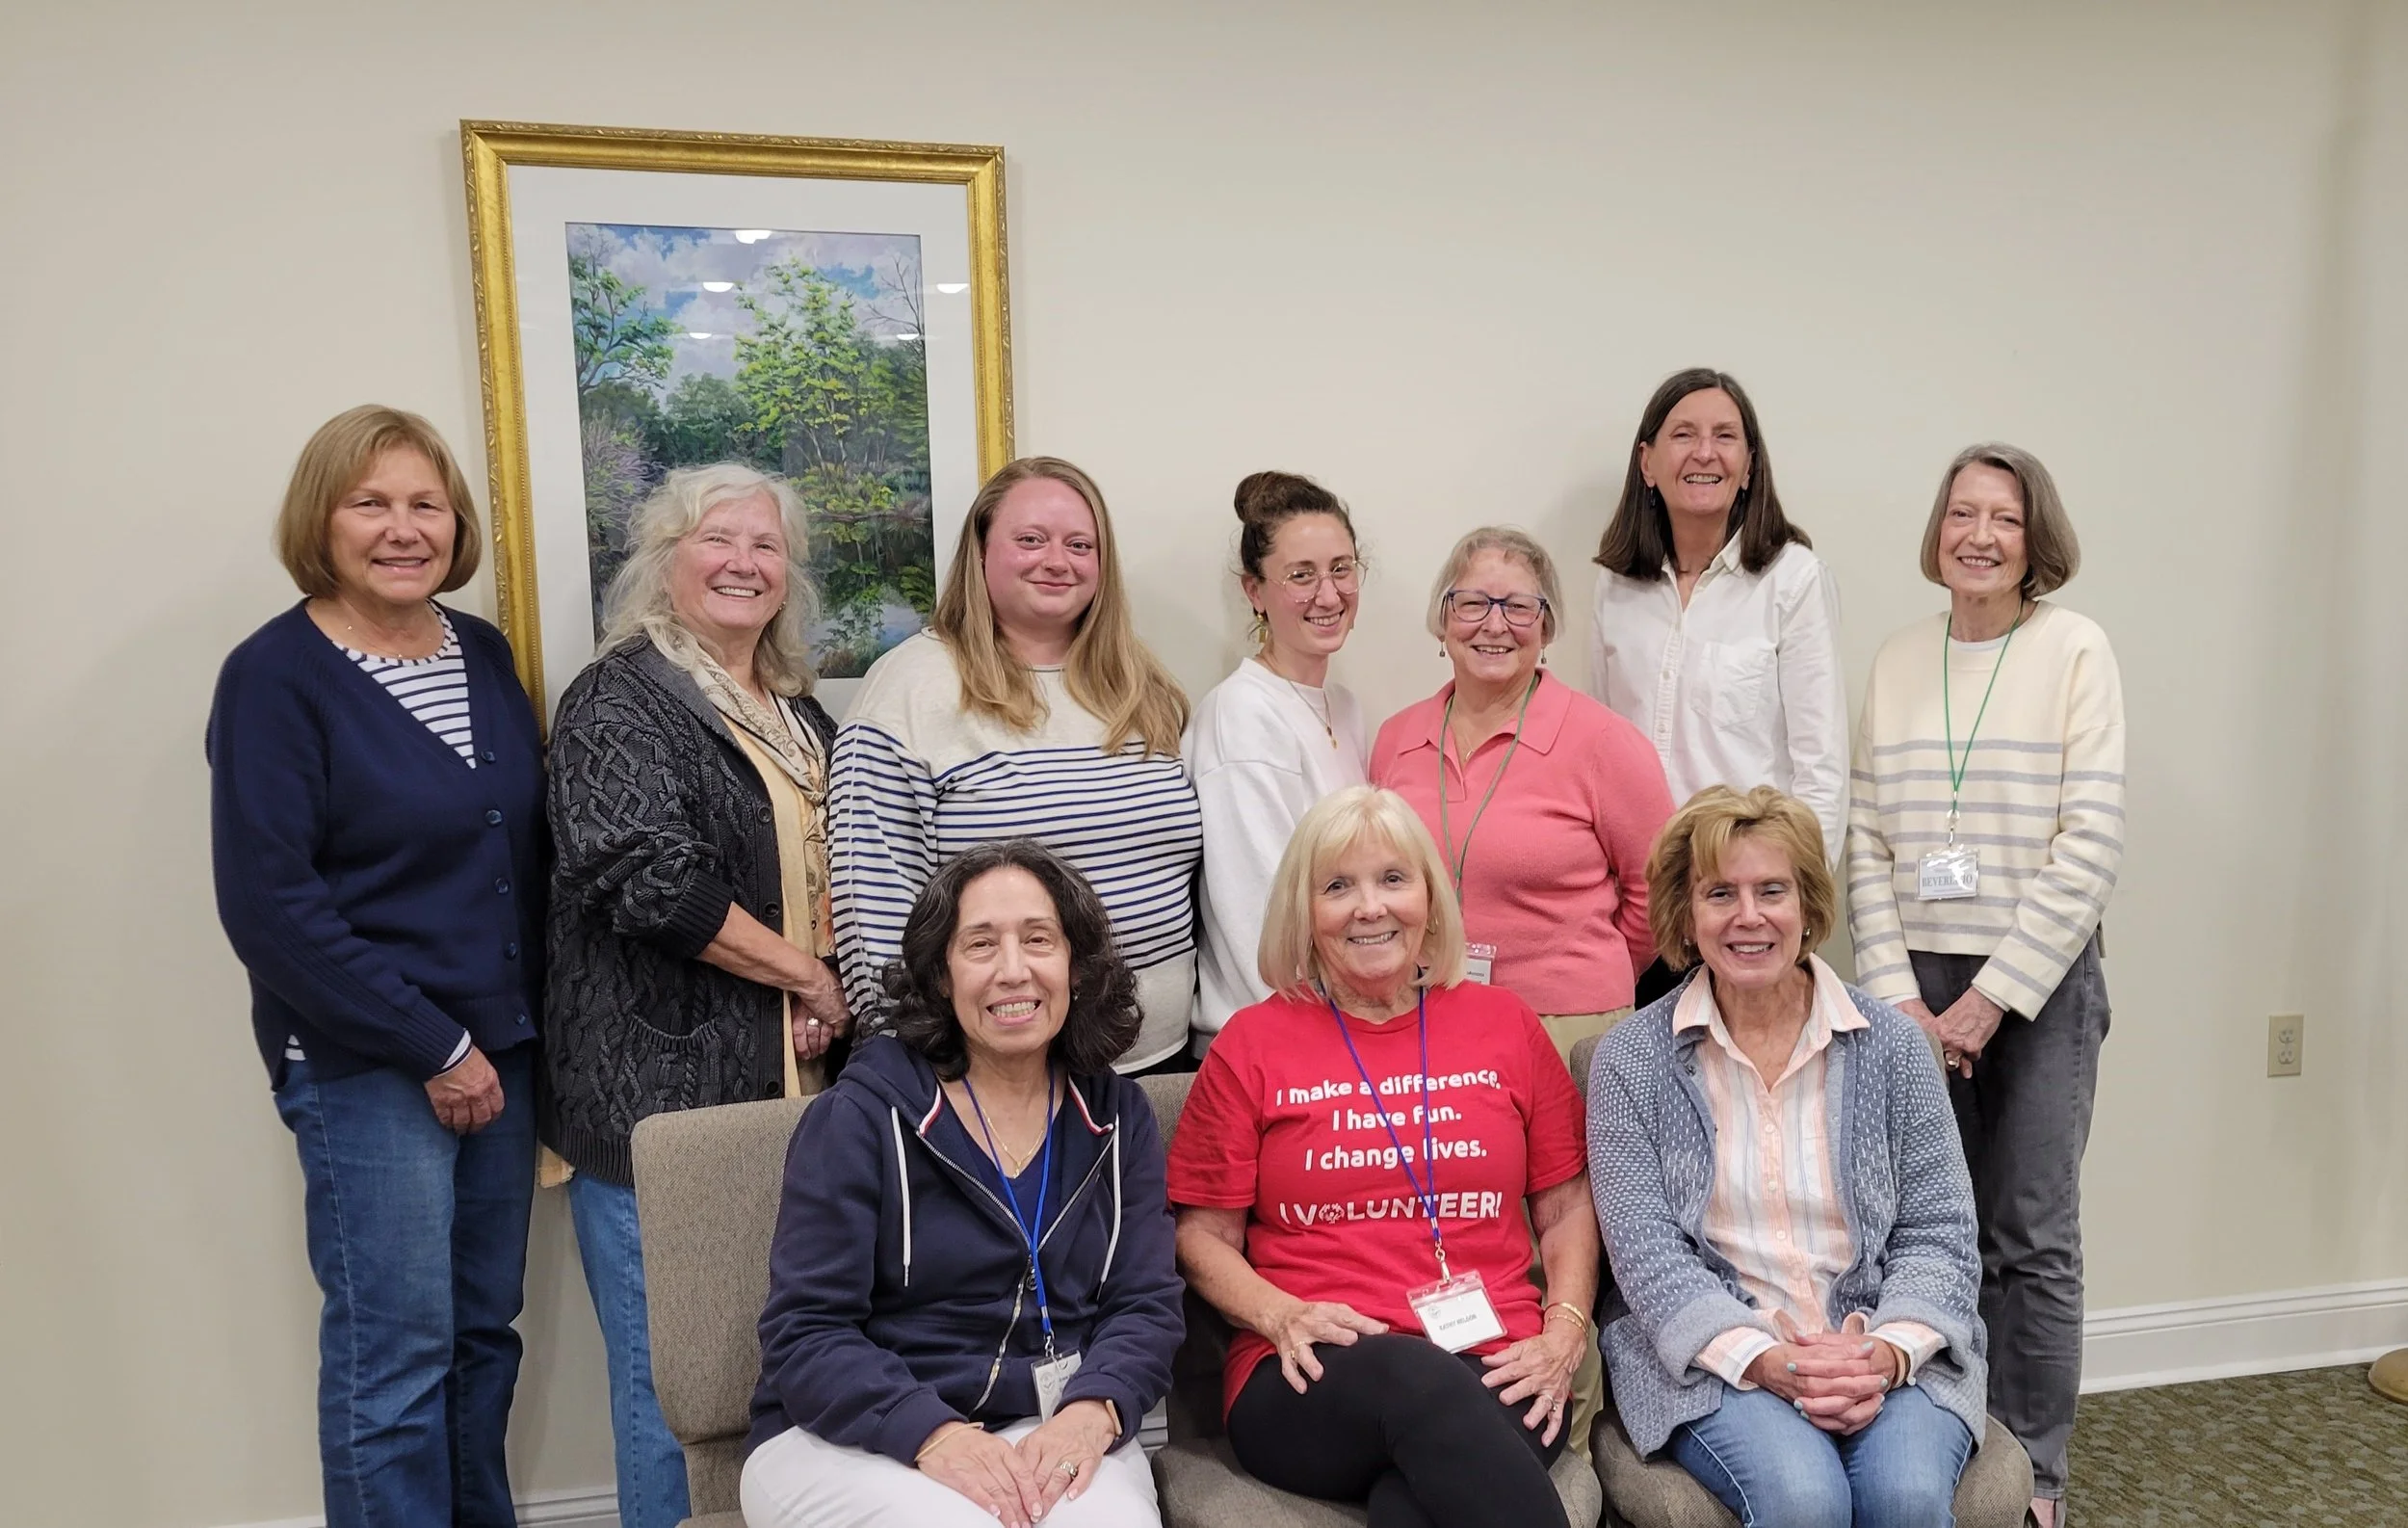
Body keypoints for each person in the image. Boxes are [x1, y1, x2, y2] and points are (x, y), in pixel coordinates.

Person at [207, 405, 545, 1527]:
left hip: (500, 1054)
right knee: (393, 1361)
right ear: (322, 519)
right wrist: (433, 1043)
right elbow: (272, 905)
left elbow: (514, 858)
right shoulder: (274, 676)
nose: (402, 529)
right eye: (371, 503)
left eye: (424, 504)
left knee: (480, 1337)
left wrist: (498, 1039)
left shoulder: (480, 653)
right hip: (368, 1061)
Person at [544, 463, 850, 1528]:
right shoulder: (617, 695)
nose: (743, 562)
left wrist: (835, 983)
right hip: (661, 1102)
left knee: (781, 1375)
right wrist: (806, 972)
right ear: (662, 561)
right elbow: (644, 875)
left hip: (796, 1093)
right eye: (715, 539)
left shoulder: (796, 707)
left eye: (765, 545)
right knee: (674, 1391)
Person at [1167, 786, 1596, 1528]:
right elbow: (1201, 1237)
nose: (1370, 907)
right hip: (1307, 1368)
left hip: (1498, 1361)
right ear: (1305, 913)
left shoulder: (1506, 1025)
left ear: (1429, 899)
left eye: (1393, 879)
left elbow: (1564, 1208)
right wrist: (1278, 1314)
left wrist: (1562, 1333)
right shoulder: (1251, 1044)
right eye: (1338, 886)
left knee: (1413, 1507)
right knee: (1413, 1376)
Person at [743, 839, 1183, 1528]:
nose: (1014, 970)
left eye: (1039, 939)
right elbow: (806, 1334)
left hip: (1049, 1423)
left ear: (1076, 964)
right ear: (943, 976)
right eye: (981, 945)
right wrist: (932, 1433)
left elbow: (1147, 1306)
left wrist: (1092, 1412)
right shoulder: (859, 1117)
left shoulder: (1118, 1115)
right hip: (857, 1436)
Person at [1845, 443, 2124, 1528]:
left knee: (2029, 1232)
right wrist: (1894, 994)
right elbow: (1863, 835)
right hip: (1911, 981)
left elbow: (2089, 841)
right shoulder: (1898, 657)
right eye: (1960, 512)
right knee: (1923, 1233)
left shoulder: (2074, 648)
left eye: (2002, 517)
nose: (1978, 533)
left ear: (2032, 536)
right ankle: (1956, 1446)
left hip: (2037, 979)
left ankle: (2038, 1478)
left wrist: (1991, 996)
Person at [1590, 785, 1989, 1528]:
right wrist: (1770, 1361)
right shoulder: (1629, 1062)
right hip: (1719, 1364)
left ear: (1806, 906)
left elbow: (1940, 1232)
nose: (1749, 916)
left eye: (1771, 890)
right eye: (1720, 893)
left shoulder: (1897, 1048)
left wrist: (1885, 1354)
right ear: (1685, 913)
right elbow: (1646, 1259)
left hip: (1883, 1343)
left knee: (1903, 1497)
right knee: (1804, 1501)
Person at [831, 457, 1201, 1072]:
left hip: (1161, 1059)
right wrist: (922, 1065)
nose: (1057, 561)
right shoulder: (908, 689)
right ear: (979, 552)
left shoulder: (1139, 683)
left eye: (1080, 545)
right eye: (1030, 540)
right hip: (994, 1076)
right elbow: (872, 911)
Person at [1369, 526, 1674, 1063]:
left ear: (1546, 627)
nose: (1494, 624)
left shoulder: (1605, 743)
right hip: (1424, 1012)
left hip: (1567, 1027)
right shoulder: (1396, 739)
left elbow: (1660, 890)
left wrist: (1579, 970)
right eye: (1471, 604)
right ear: (1443, 621)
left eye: (1518, 607)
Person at [1585, 368, 1846, 866]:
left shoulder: (1794, 580)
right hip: (1640, 882)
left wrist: (1802, 898)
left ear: (1748, 466)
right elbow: (1600, 753)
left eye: (1725, 436)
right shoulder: (1615, 587)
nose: (1704, 452)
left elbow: (1821, 767)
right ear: (1647, 462)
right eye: (1683, 434)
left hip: (1746, 886)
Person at [1185, 470, 1369, 1054]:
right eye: (1301, 576)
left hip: (1339, 1022)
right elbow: (1260, 925)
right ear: (1255, 591)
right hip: (1268, 1041)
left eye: (1342, 568)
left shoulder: (1342, 705)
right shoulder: (1241, 715)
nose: (1329, 594)